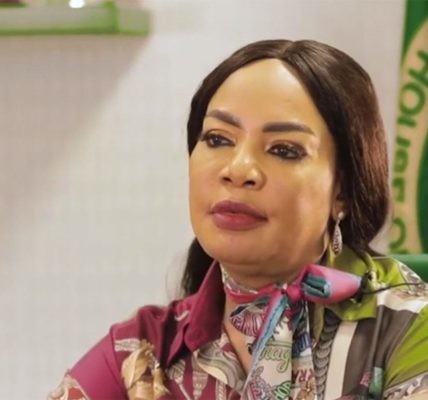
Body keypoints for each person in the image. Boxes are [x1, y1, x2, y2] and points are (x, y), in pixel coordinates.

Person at [48, 39, 428, 400]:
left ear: (343, 188)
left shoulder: (409, 327)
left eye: (284, 149)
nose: (238, 169)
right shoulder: (141, 352)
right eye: (217, 139)